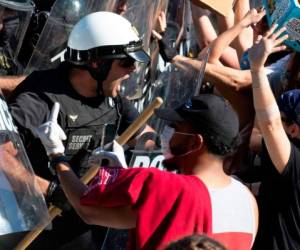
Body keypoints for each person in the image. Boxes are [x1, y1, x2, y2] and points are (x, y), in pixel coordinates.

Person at [35, 94, 258, 250]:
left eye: (177, 129)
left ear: (195, 144)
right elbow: (159, 217)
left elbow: (88, 210)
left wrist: (56, 154)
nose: (168, 133)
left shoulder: (164, 186)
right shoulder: (248, 201)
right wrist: (121, 177)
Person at [7, 11, 151, 250]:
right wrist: (51, 191)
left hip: (86, 222)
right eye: (126, 62)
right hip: (39, 225)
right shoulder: (40, 97)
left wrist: (140, 152)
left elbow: (145, 134)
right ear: (96, 63)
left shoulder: (110, 95)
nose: (132, 70)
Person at [248, 23, 300, 249]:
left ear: (293, 129)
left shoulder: (295, 163)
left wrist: (257, 69)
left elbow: (269, 125)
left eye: (283, 119)